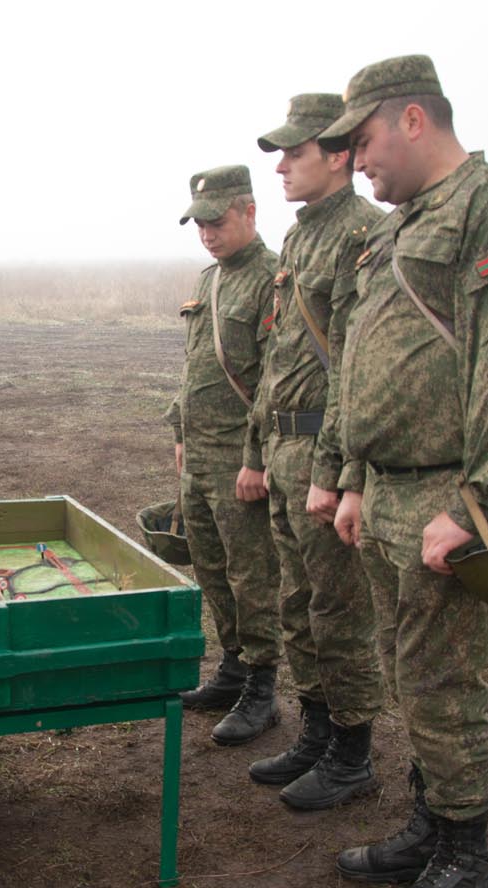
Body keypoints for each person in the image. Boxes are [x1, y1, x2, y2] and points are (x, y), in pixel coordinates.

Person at [317, 56, 488, 888]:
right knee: (403, 673)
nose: (355, 161)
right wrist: (351, 478)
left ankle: (468, 856)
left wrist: (474, 507)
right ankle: (430, 825)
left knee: (442, 682)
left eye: (363, 140)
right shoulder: (396, 229)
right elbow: (359, 361)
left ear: (413, 119)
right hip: (386, 495)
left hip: (445, 499)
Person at [241, 95, 388, 810]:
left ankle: (354, 753)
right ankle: (318, 731)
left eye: (295, 152)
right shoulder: (300, 240)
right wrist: (260, 449)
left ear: (338, 155)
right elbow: (276, 355)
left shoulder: (365, 234)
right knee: (297, 602)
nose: (281, 166)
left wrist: (342, 472)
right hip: (285, 446)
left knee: (340, 609)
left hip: (327, 453)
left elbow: (363, 366)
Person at [167, 165, 284, 746]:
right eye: (199, 223)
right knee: (212, 570)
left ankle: (263, 688)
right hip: (201, 455)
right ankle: (233, 668)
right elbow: (195, 368)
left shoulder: (272, 279)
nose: (207, 232)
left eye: (216, 221)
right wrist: (180, 432)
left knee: (252, 575)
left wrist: (256, 458)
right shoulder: (208, 280)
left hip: (240, 459)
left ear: (249, 213)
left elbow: (275, 379)